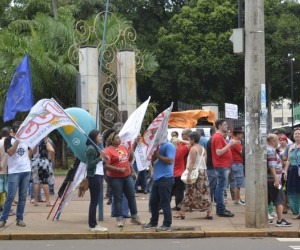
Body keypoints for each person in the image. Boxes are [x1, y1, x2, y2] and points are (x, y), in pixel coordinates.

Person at [104, 130, 144, 227]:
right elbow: (106, 165)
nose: (119, 139)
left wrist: (131, 153)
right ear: (112, 140)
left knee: (131, 196)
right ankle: (119, 219)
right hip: (115, 178)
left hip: (127, 175)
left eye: (119, 138)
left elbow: (129, 160)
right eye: (117, 138)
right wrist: (118, 169)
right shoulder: (108, 150)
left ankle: (135, 217)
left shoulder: (123, 147)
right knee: (118, 197)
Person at [0, 121, 33, 228]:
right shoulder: (8, 140)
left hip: (26, 170)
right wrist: (18, 140)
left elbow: (30, 154)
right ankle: (3, 219)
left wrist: (34, 143)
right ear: (14, 131)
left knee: (23, 196)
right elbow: (10, 152)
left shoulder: (26, 140)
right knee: (10, 196)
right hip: (14, 172)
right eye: (18, 131)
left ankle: (20, 218)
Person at [176, 131, 212, 220]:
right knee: (204, 192)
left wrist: (188, 174)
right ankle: (209, 212)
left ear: (192, 139)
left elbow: (191, 162)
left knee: (190, 192)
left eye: (189, 139)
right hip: (203, 172)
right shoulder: (203, 149)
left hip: (195, 173)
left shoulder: (193, 149)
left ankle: (182, 212)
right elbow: (205, 161)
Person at [143, 140, 176, 232]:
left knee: (164, 203)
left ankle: (167, 224)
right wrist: (153, 156)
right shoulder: (157, 146)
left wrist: (158, 155)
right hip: (157, 178)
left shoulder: (169, 146)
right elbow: (154, 161)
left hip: (166, 178)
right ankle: (153, 222)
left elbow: (170, 160)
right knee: (153, 203)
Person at [211, 119, 238, 217]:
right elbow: (218, 152)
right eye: (224, 124)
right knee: (221, 188)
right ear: (219, 126)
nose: (226, 126)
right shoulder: (218, 137)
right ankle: (221, 209)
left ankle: (220, 208)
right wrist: (229, 144)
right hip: (221, 166)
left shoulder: (219, 136)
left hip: (223, 166)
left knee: (221, 187)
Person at [85, 129, 108, 232]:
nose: (101, 137)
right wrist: (100, 158)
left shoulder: (95, 147)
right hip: (94, 176)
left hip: (98, 175)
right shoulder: (91, 149)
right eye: (99, 136)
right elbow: (90, 165)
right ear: (94, 137)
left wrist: (103, 158)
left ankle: (93, 224)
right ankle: (92, 225)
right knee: (94, 201)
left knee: (95, 201)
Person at [267, 133, 291, 227]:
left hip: (269, 179)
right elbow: (272, 166)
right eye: (277, 140)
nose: (279, 142)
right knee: (279, 200)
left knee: (268, 200)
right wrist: (276, 180)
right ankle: (280, 220)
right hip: (273, 179)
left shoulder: (268, 149)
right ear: (272, 141)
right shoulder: (271, 151)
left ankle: (268, 218)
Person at [30, 137, 54, 207]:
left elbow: (30, 153)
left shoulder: (33, 143)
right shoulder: (46, 143)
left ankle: (35, 201)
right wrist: (50, 159)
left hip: (35, 163)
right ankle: (48, 201)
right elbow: (52, 151)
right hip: (43, 163)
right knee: (45, 182)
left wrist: (32, 159)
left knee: (36, 182)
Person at [172, 129, 190, 217]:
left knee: (172, 192)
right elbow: (191, 144)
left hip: (173, 173)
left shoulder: (173, 150)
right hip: (180, 173)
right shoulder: (181, 149)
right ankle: (179, 208)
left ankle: (164, 207)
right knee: (179, 192)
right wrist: (181, 141)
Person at [285, 128, 300, 218]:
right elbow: (288, 160)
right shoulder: (291, 146)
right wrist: (285, 170)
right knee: (292, 191)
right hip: (293, 171)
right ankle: (296, 211)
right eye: (296, 134)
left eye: (299, 133)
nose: (297, 135)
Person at [231, 127, 245, 206]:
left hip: (235, 163)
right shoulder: (236, 142)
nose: (242, 135)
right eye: (241, 134)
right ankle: (236, 200)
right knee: (238, 183)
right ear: (238, 134)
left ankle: (238, 199)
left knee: (238, 181)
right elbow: (241, 152)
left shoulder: (234, 142)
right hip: (237, 163)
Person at [0, 127, 10, 212]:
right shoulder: (9, 143)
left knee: (0, 189)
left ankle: (1, 206)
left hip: (0, 169)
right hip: (8, 169)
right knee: (8, 190)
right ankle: (7, 208)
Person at [206, 127, 217, 202]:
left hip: (212, 166)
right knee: (212, 184)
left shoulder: (211, 141)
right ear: (213, 133)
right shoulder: (211, 141)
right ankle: (210, 200)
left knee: (214, 184)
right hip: (211, 166)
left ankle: (213, 199)